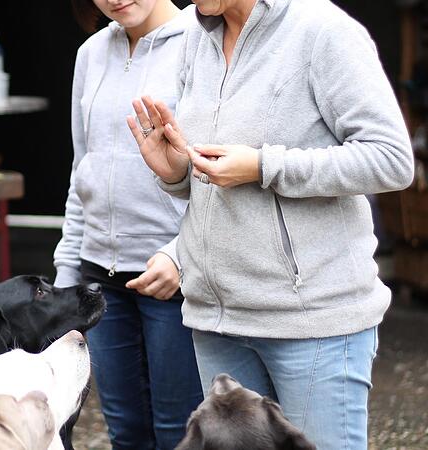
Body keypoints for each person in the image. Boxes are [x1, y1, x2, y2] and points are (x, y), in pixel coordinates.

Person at [127, 0, 415, 448]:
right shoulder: (195, 38)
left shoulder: (323, 30)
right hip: (216, 320)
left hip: (312, 321)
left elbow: (391, 161)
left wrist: (266, 166)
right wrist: (176, 172)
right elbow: (214, 174)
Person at [54, 1, 203, 448]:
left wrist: (184, 254)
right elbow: (84, 171)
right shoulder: (92, 52)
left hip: (174, 277)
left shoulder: (204, 41)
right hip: (101, 279)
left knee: (181, 432)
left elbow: (218, 174)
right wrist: (67, 278)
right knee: (125, 432)